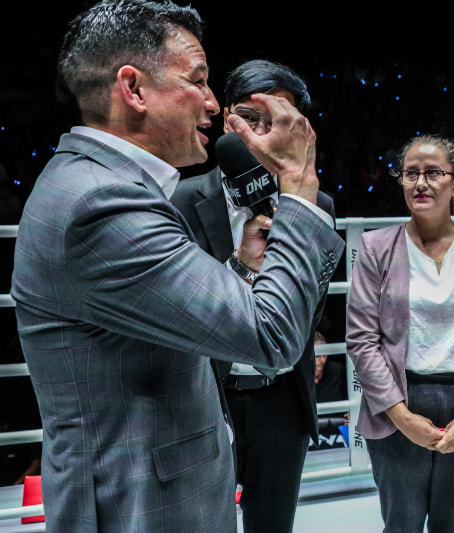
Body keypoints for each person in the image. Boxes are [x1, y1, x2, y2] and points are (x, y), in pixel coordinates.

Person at [10, 1, 344, 531]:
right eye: (198, 80)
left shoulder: (101, 184)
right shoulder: (102, 203)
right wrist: (300, 184)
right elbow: (272, 336)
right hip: (141, 506)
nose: (212, 103)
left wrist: (243, 267)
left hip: (158, 487)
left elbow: (174, 321)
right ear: (134, 89)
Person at [171, 58, 333, 533]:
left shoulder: (317, 203)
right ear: (228, 122)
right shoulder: (178, 199)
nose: (261, 131)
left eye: (276, 119)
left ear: (298, 129)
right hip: (205, 395)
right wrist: (243, 265)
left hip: (282, 398)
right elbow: (184, 309)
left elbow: (313, 305)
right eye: (250, 117)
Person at [346, 134, 454, 532]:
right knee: (401, 524)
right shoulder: (375, 246)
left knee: (453, 524)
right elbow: (361, 339)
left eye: (433, 173)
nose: (420, 182)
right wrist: (401, 416)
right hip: (397, 400)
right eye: (410, 174)